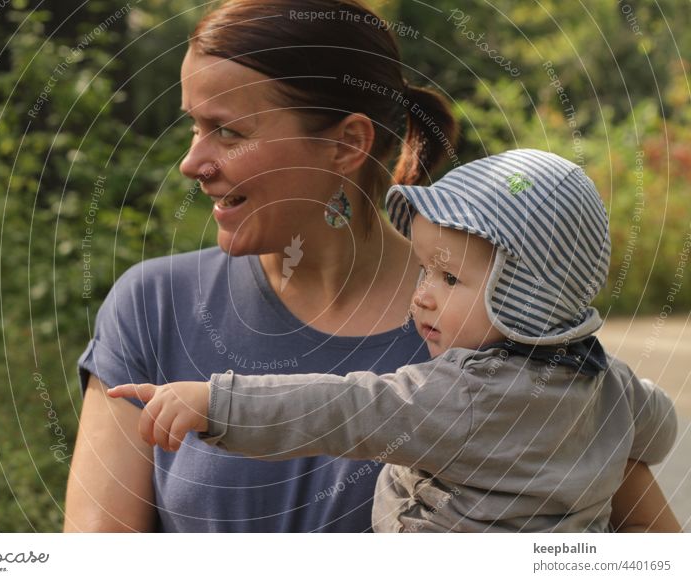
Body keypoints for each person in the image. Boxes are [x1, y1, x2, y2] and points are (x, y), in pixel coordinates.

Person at [65, 0, 680, 532]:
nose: (192, 161)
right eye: (194, 127)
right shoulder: (153, 306)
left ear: (345, 143)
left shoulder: (492, 327)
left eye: (227, 132)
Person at [109, 149, 679, 532]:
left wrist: (215, 403)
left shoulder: (465, 395)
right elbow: (661, 428)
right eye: (425, 269)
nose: (423, 294)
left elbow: (345, 408)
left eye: (451, 278)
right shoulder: (610, 383)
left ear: (530, 298)